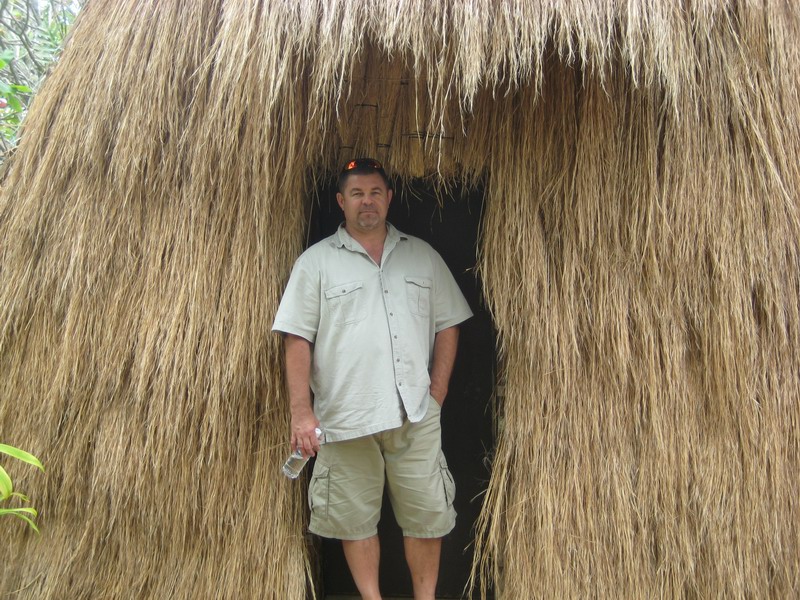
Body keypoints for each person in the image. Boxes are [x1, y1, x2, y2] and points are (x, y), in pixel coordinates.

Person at [272, 158, 472, 600]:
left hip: (415, 415)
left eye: (375, 192)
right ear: (341, 201)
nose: (367, 202)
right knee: (355, 520)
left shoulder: (422, 256)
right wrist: (302, 414)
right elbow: (297, 338)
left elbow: (449, 322)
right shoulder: (315, 263)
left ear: (389, 198)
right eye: (357, 194)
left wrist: (436, 393)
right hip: (346, 419)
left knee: (427, 516)